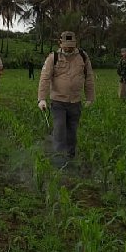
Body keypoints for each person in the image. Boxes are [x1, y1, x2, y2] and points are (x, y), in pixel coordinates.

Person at [37, 31, 95, 165]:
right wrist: (42, 98)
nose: (69, 48)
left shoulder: (83, 56)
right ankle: (59, 160)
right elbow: (44, 78)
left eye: (71, 45)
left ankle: (70, 158)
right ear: (60, 43)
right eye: (66, 45)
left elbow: (89, 77)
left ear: (75, 43)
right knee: (59, 129)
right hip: (58, 101)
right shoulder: (53, 57)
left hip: (75, 101)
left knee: (72, 131)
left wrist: (90, 97)